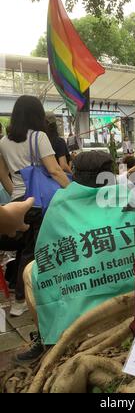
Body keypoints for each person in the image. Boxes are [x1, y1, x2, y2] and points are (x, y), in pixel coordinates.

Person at [15, 150, 135, 364]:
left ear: (74, 174)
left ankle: (47, 339)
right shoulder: (128, 198)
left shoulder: (60, 202)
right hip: (130, 302)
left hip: (78, 316)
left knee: (31, 270)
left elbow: (46, 256)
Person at [0, 95, 70, 316]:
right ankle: (21, 301)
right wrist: (72, 191)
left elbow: (2, 173)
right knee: (33, 250)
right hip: (38, 203)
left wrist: (15, 192)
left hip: (17, 202)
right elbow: (55, 170)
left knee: (24, 248)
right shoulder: (39, 137)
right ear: (36, 115)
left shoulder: (3, 141)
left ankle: (22, 293)